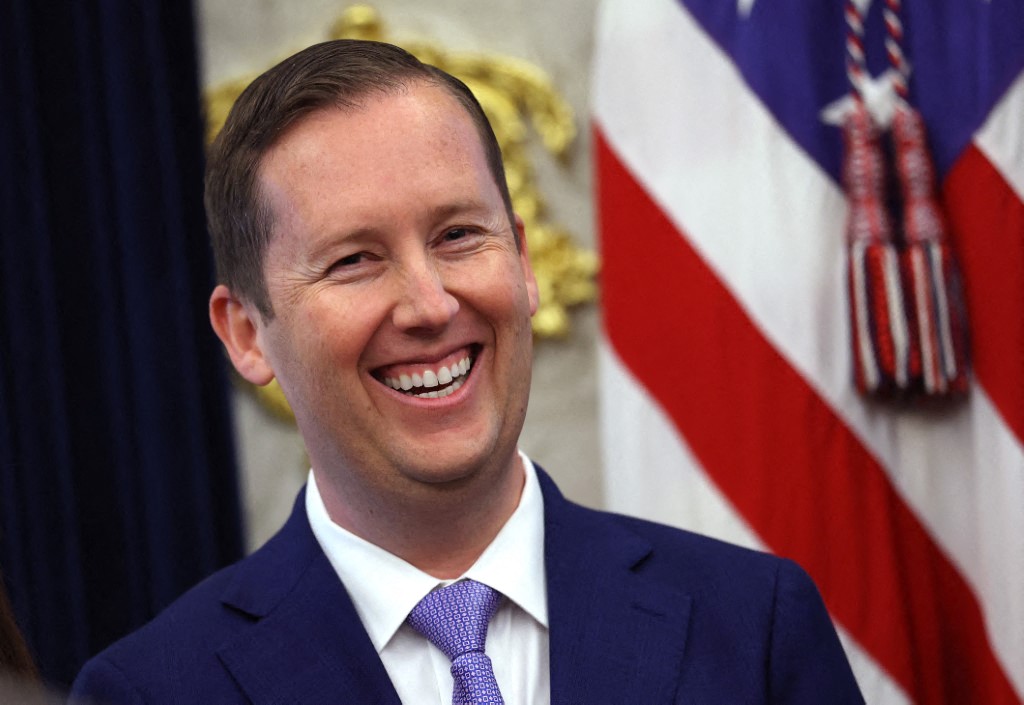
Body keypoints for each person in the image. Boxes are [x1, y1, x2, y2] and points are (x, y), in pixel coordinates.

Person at [70, 39, 863, 704]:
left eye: (457, 235)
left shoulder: (755, 627)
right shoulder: (148, 691)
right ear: (247, 334)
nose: (429, 303)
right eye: (354, 260)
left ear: (523, 260)